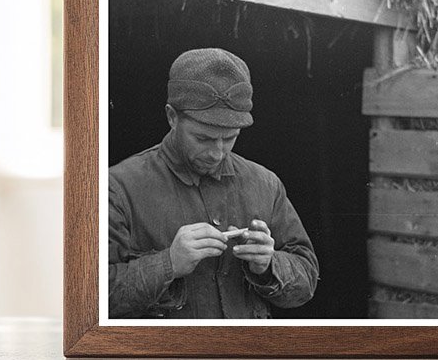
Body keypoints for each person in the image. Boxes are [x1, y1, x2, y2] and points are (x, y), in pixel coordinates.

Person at [107, 47, 319, 318]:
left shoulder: (265, 184)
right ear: (172, 116)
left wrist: (268, 264)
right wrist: (169, 263)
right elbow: (92, 302)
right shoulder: (119, 187)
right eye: (203, 139)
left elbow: (307, 279)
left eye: (229, 138)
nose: (217, 152)